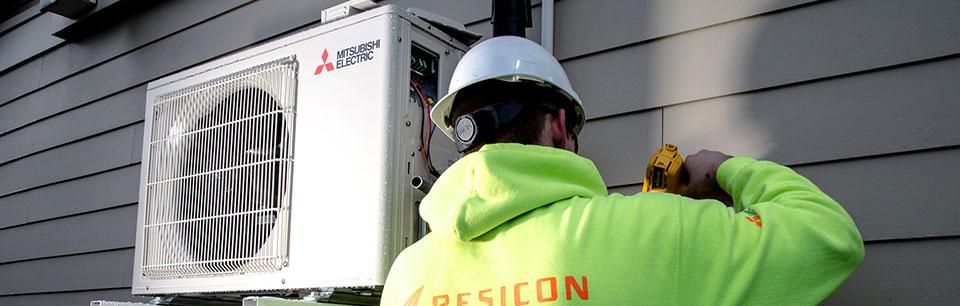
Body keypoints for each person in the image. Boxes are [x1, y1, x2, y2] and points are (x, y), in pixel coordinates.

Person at [380, 36, 864, 305]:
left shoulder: (405, 278)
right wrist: (725, 170)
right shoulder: (659, 234)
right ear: (559, 124)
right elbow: (826, 235)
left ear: (463, 138)